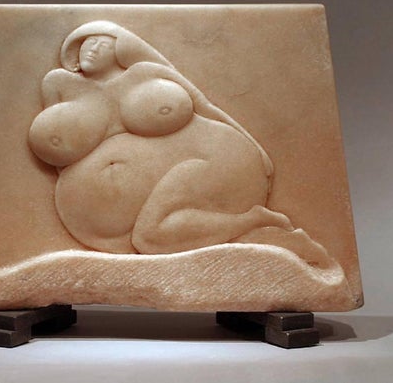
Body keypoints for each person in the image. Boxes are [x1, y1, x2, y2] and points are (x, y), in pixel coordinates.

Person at [29, 21, 293, 254]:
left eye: (103, 44)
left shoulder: (145, 73)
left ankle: (255, 222)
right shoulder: (58, 83)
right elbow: (57, 151)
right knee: (150, 235)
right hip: (116, 213)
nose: (93, 49)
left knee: (150, 237)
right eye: (88, 43)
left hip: (214, 157)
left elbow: (204, 107)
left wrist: (257, 148)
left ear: (121, 49)